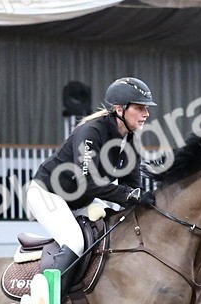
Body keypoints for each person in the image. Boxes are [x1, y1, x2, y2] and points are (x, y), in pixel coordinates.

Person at [26, 77, 158, 293]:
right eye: (140, 107)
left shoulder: (130, 140)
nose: (147, 113)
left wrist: (146, 201)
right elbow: (88, 183)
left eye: (147, 108)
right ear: (119, 109)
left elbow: (131, 187)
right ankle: (45, 302)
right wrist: (131, 195)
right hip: (48, 195)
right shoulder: (91, 132)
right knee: (75, 242)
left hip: (80, 200)